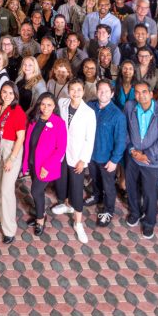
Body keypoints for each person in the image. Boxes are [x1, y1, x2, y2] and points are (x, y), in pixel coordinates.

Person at [123, 82, 158, 239]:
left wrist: (147, 155)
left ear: (151, 94)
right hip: (133, 156)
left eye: (144, 92)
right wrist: (131, 149)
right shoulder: (130, 107)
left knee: (150, 193)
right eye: (137, 92)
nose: (141, 95)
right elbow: (124, 130)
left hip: (152, 161)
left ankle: (149, 222)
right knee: (132, 188)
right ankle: (135, 213)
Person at [52, 80, 96, 244]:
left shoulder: (88, 112)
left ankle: (78, 223)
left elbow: (89, 139)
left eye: (79, 90)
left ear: (83, 91)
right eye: (72, 90)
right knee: (61, 182)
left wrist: (83, 159)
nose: (75, 93)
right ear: (68, 91)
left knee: (77, 189)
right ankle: (65, 204)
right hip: (62, 153)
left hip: (77, 156)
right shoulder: (63, 103)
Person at [21, 93, 66, 236]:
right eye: (43, 104)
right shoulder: (35, 120)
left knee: (35, 191)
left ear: (54, 107)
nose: (45, 108)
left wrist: (47, 167)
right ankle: (41, 213)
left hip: (46, 167)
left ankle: (40, 219)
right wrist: (25, 164)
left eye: (49, 105)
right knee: (37, 191)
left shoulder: (59, 123)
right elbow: (28, 143)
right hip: (33, 162)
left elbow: (61, 149)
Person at [0, 82, 26, 243]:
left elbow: (21, 138)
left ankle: (9, 229)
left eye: (11, 93)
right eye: (4, 92)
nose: (7, 96)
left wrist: (11, 159)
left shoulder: (18, 112)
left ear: (15, 95)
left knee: (6, 189)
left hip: (11, 149)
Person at [87, 80, 127, 227]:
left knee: (109, 186)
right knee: (95, 179)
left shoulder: (117, 115)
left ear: (112, 93)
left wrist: (114, 160)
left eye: (106, 91)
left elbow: (121, 141)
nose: (102, 93)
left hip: (106, 158)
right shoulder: (90, 106)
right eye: (100, 90)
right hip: (91, 155)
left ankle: (109, 210)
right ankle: (96, 196)